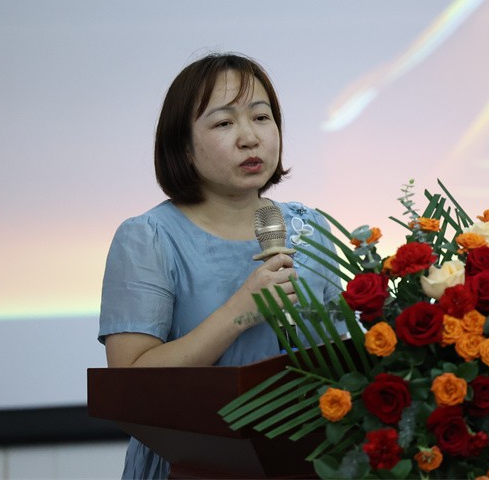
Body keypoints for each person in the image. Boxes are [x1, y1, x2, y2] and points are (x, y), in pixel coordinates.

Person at [98, 52, 345, 479]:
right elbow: (130, 385)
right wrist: (239, 312)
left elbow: (340, 356)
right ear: (183, 146)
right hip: (193, 465)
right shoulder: (148, 237)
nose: (250, 138)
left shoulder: (310, 228)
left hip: (305, 461)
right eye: (224, 123)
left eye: (261, 118)